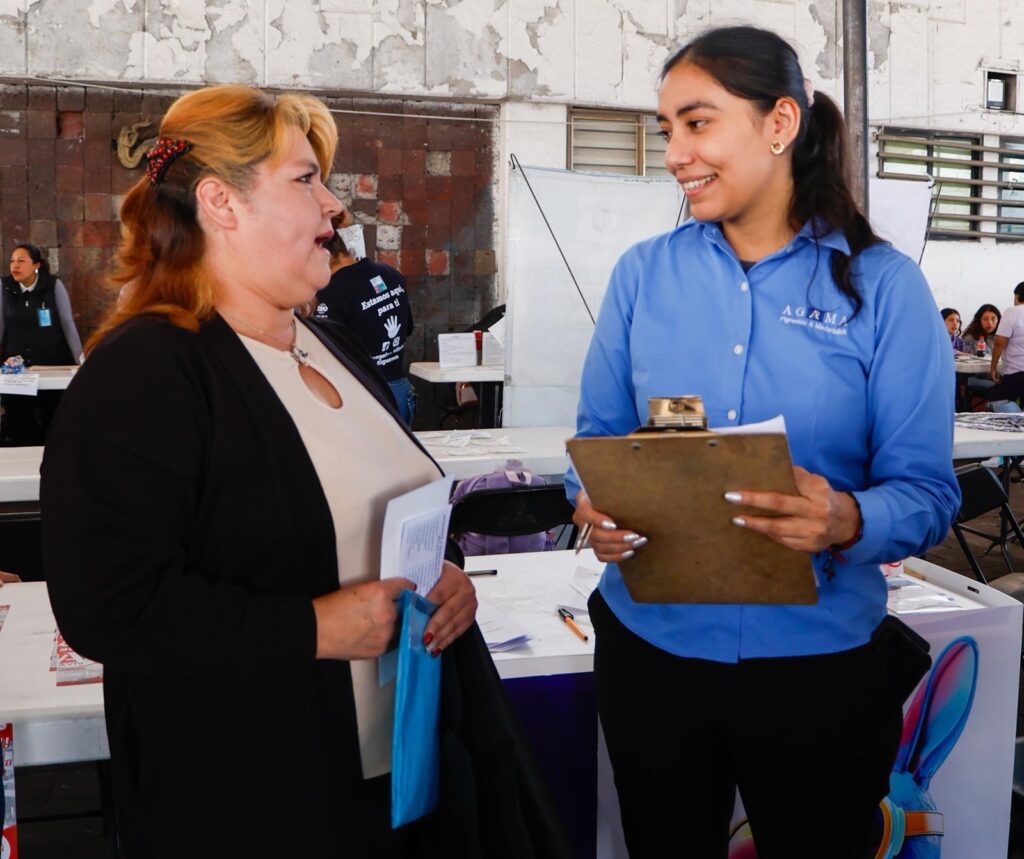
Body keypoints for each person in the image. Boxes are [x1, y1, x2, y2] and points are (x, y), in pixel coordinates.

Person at [41, 84, 478, 857]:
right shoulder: (147, 371)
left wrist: (443, 573)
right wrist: (313, 628)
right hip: (254, 803)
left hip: (396, 782)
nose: (333, 206)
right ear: (221, 203)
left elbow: (370, 513)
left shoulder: (330, 346)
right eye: (305, 180)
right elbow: (108, 603)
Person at [566, 26, 959, 859]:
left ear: (780, 123)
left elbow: (928, 494)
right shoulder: (643, 275)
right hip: (653, 656)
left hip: (817, 669)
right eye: (667, 128)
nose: (675, 153)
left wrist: (847, 518)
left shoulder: (885, 288)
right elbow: (598, 442)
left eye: (697, 123)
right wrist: (595, 508)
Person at [315, 210, 417, 425]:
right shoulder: (389, 273)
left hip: (364, 395)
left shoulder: (331, 292)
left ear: (325, 251)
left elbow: (325, 353)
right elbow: (407, 328)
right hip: (399, 390)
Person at [0, 243, 82, 445]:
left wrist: (81, 360)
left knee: (53, 419)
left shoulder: (53, 285)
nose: (15, 266)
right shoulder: (4, 286)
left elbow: (67, 324)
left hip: (52, 363)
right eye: (12, 261)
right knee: (19, 422)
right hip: (17, 368)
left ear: (36, 265)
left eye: (21, 261)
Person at [988, 282, 1024, 404]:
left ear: (1017, 296)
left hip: (1017, 371)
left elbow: (1000, 342)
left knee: (998, 407)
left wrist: (993, 368)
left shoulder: (1013, 312)